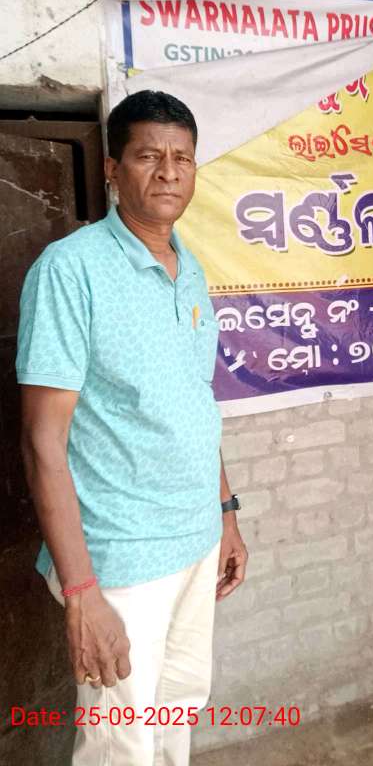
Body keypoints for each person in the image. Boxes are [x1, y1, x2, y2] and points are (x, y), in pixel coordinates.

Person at [16, 89, 248, 765]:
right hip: (118, 556)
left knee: (178, 711)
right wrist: (81, 592)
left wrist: (225, 512)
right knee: (121, 742)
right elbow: (41, 442)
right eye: (149, 156)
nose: (169, 172)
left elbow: (193, 401)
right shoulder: (71, 270)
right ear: (113, 169)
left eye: (182, 157)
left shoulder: (189, 268)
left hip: (196, 540)